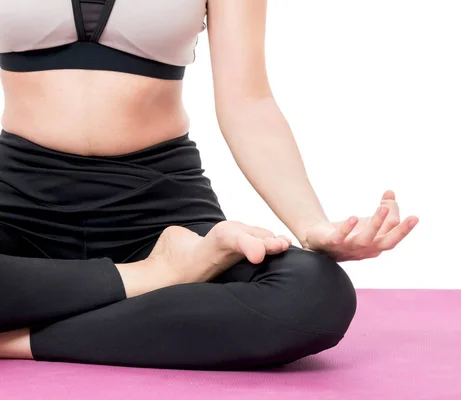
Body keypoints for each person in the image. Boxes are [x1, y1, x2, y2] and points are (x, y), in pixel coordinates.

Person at [0, 0, 419, 370]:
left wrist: (312, 226)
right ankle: (153, 276)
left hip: (162, 214)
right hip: (15, 202)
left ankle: (19, 341)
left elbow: (248, 101)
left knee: (314, 293)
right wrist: (160, 273)